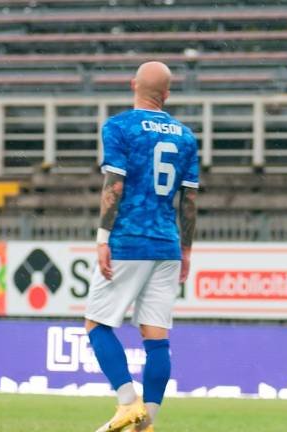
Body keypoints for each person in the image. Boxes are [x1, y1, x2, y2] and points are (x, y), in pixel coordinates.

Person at [84, 61, 199, 432]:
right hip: (167, 243)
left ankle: (127, 403)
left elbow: (114, 186)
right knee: (156, 338)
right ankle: (146, 423)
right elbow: (190, 201)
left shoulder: (119, 127)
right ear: (166, 94)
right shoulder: (185, 136)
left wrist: (103, 238)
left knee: (97, 325)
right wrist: (186, 250)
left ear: (133, 84)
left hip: (129, 239)